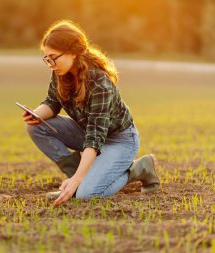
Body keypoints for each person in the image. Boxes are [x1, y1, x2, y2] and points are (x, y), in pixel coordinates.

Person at [22, 20, 160, 207]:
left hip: (118, 140)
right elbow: (52, 103)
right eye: (47, 58)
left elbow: (95, 138)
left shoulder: (100, 83)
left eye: (53, 57)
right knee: (35, 128)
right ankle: (77, 181)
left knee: (87, 194)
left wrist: (80, 179)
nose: (50, 64)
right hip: (86, 132)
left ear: (72, 52)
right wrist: (36, 114)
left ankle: (137, 169)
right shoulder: (59, 73)